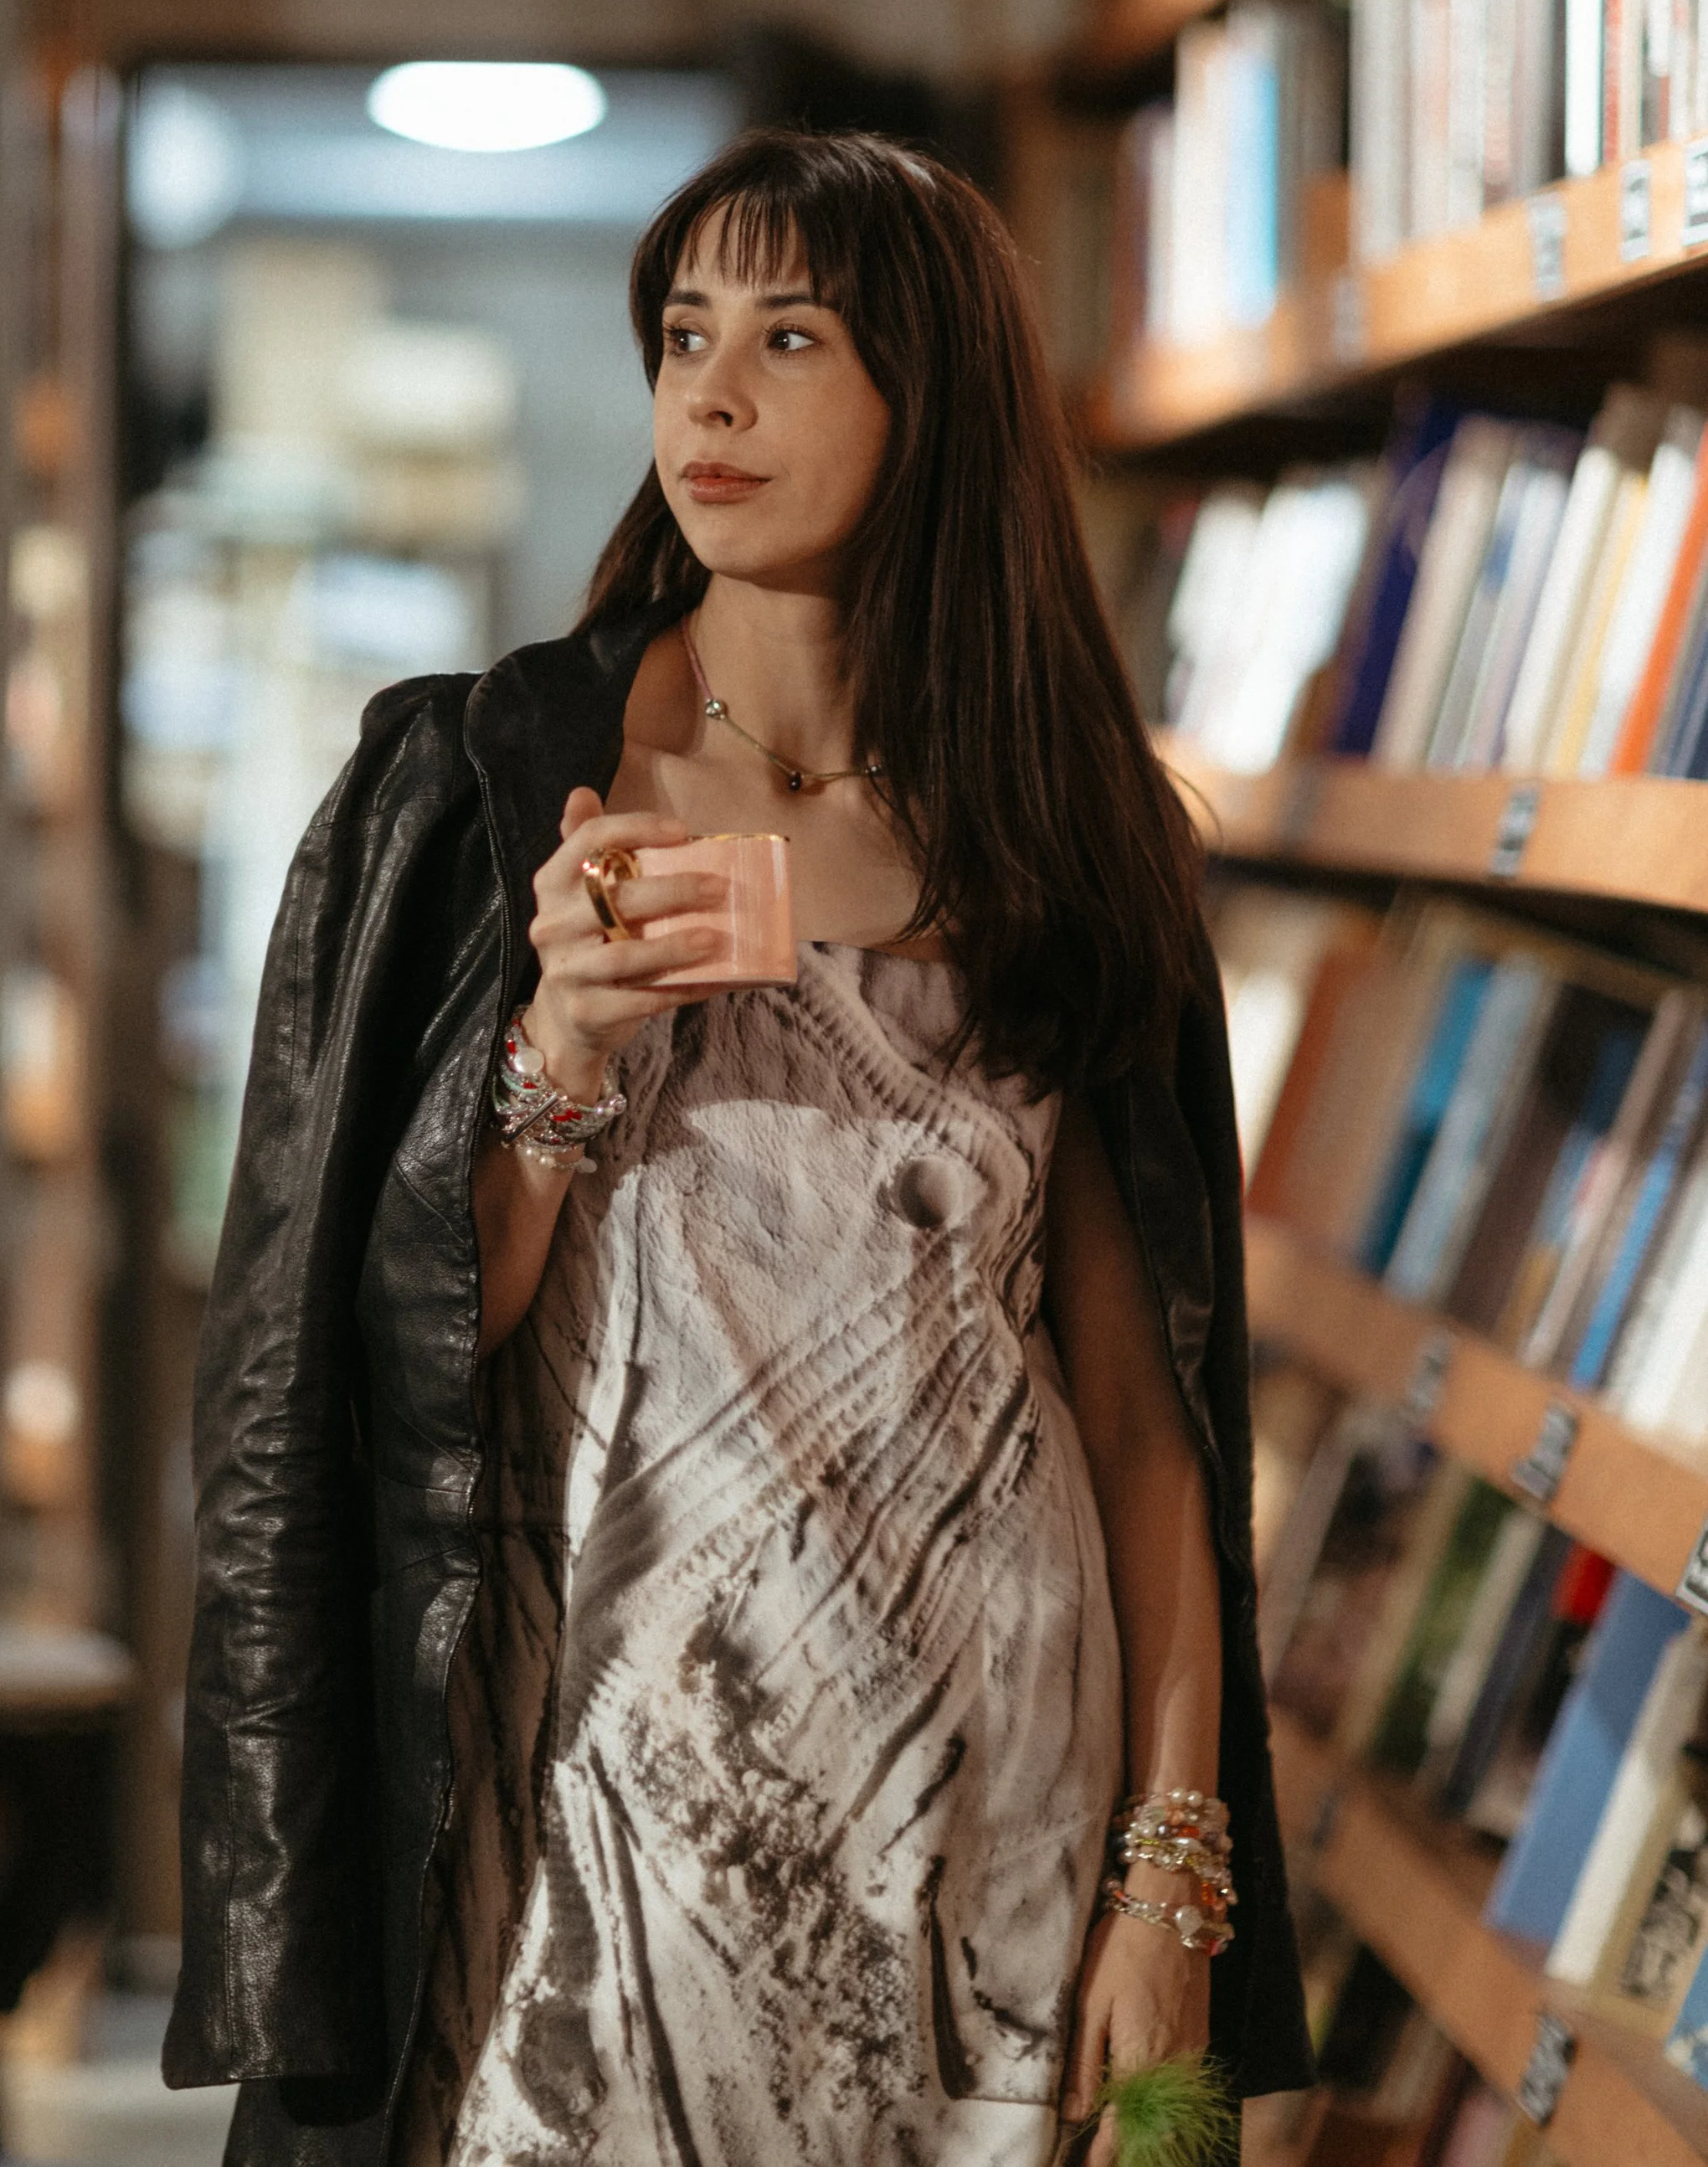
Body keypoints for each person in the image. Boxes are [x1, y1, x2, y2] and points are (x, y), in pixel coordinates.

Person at [166, 131, 1312, 2167]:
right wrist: (562, 1050)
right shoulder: (488, 782)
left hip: (991, 1800)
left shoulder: (1070, 836)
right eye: (682, 332)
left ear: (928, 396)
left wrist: (1170, 1876)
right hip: (604, 1809)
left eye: (787, 337)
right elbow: (363, 1356)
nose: (706, 394)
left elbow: (1146, 1419)